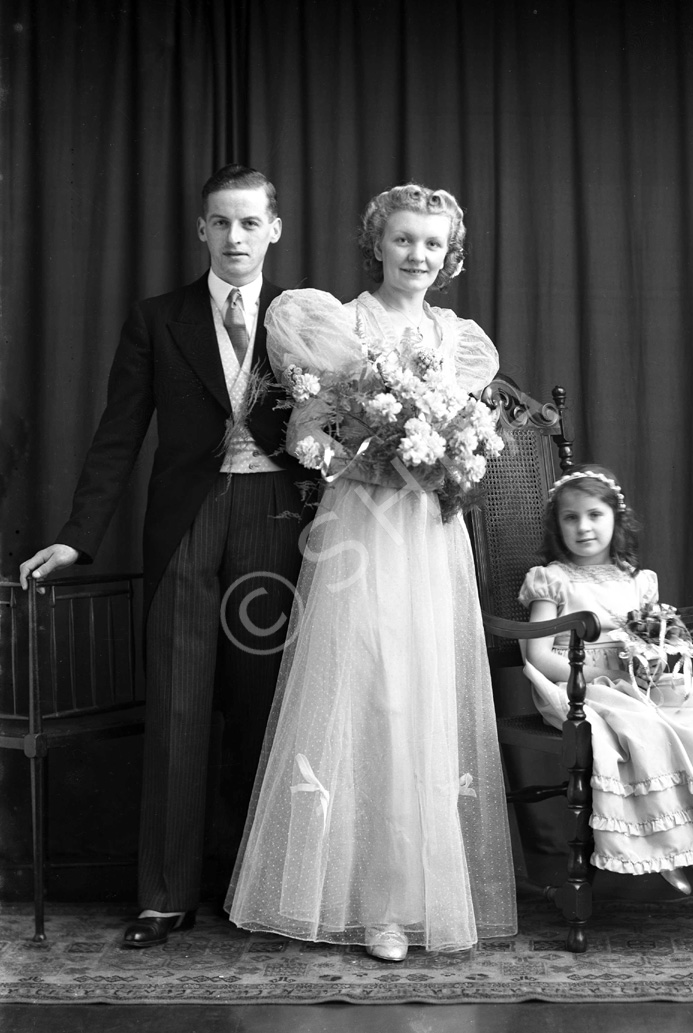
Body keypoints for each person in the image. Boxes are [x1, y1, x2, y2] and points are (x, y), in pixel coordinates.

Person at [19, 164, 310, 947]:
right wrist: (77, 534)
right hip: (185, 521)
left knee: (262, 707)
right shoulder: (159, 318)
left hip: (274, 522)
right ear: (201, 230)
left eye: (250, 223)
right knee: (178, 704)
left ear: (273, 229)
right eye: (221, 222)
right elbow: (119, 435)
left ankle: (262, 889)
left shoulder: (304, 316)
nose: (236, 236)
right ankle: (164, 895)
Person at [225, 183, 517, 961]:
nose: (416, 255)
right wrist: (369, 452)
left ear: (449, 256)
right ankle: (371, 906)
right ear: (377, 245)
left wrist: (450, 456)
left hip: (428, 534)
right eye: (403, 241)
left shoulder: (461, 341)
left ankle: (425, 896)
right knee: (371, 697)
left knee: (424, 698)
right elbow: (308, 438)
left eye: (431, 243)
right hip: (361, 530)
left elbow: (468, 442)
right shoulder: (335, 323)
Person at [518, 463, 693, 895]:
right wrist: (598, 674)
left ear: (616, 518)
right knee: (646, 729)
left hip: (637, 683)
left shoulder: (636, 581)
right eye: (571, 517)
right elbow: (537, 652)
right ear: (556, 525)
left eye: (595, 514)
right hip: (576, 688)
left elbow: (655, 636)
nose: (583, 527)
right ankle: (675, 848)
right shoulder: (553, 580)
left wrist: (656, 656)